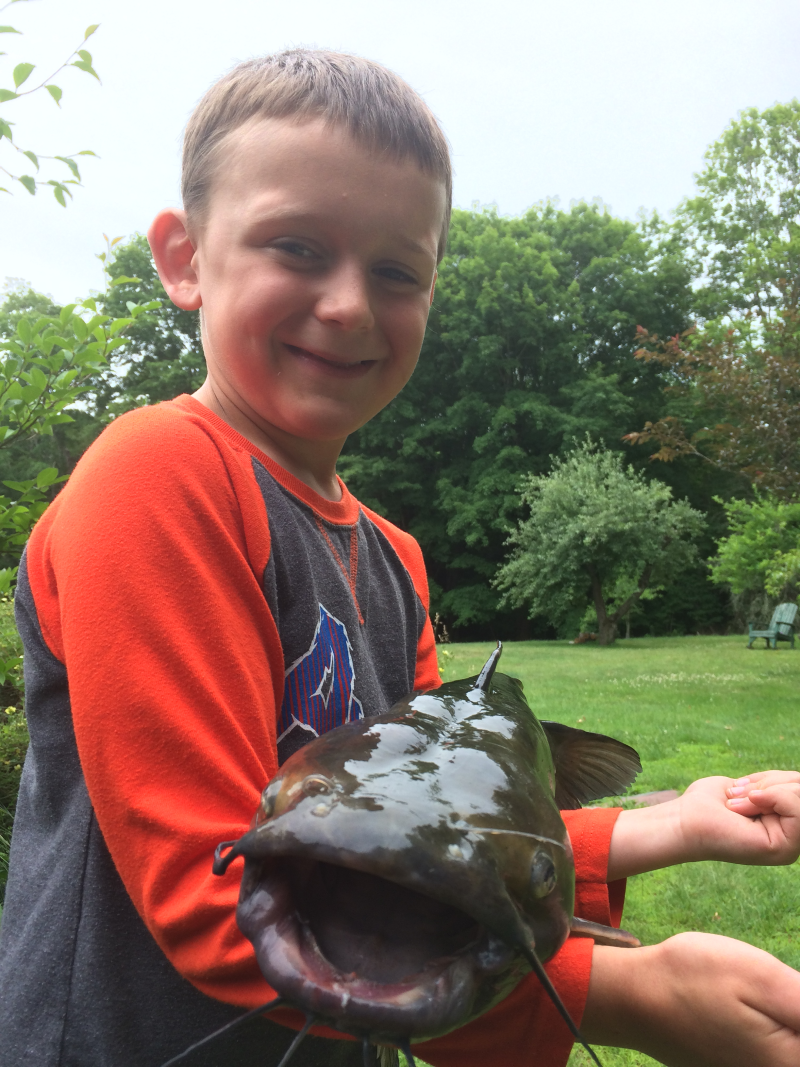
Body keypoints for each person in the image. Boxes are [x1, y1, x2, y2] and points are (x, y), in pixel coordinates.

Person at [0, 48, 798, 1067]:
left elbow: (423, 840)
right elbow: (217, 888)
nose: (347, 304)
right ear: (185, 256)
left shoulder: (393, 557)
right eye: (296, 247)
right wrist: (617, 993)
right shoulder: (160, 473)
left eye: (394, 271)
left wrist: (665, 827)